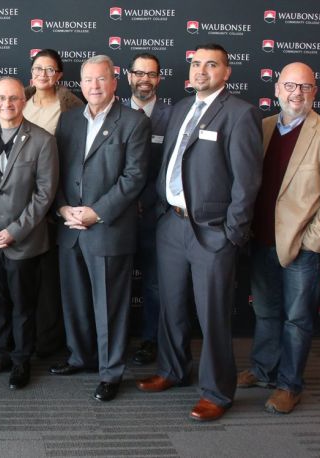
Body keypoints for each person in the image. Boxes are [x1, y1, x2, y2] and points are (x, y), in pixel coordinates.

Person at [136, 43, 264, 422]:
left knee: (213, 317)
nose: (201, 71)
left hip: (211, 232)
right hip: (171, 224)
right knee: (171, 307)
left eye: (211, 64)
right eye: (196, 64)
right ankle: (173, 370)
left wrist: (232, 233)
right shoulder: (179, 109)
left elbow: (247, 183)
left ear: (226, 72)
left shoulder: (240, 113)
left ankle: (217, 391)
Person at [238, 62, 320, 414]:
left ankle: (289, 385)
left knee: (297, 319)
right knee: (266, 312)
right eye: (290, 86)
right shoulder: (261, 129)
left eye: (304, 87)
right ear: (277, 89)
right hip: (261, 239)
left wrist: (313, 241)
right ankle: (263, 369)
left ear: (314, 92)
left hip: (302, 246)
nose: (296, 93)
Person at [51, 55, 150, 402]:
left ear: (114, 82)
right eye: (88, 80)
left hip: (108, 229)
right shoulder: (68, 120)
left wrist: (97, 213)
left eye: (101, 79)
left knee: (109, 308)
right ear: (80, 84)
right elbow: (55, 171)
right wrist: (63, 207)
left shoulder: (134, 122)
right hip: (69, 227)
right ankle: (81, 357)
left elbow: (134, 177)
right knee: (75, 302)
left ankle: (110, 372)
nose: (94, 86)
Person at [0, 77, 58, 390]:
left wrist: (13, 232)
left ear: (24, 101)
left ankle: (21, 360)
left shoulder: (43, 140)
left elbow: (44, 195)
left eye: (14, 98)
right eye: (1, 98)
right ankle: (2, 354)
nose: (7, 104)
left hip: (24, 242)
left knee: (23, 306)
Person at [23, 49, 83, 356]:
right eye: (38, 68)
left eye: (50, 70)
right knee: (22, 274)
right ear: (31, 72)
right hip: (19, 199)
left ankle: (48, 342)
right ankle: (24, 338)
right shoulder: (18, 100)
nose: (43, 74)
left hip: (55, 200)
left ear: (58, 75)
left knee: (49, 277)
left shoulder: (72, 106)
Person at [126, 53, 173, 366]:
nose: (145, 79)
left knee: (155, 284)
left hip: (158, 217)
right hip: (119, 216)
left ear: (159, 78)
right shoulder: (113, 113)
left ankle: (150, 340)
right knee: (115, 283)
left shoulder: (174, 116)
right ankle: (114, 338)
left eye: (151, 74)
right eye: (139, 73)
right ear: (129, 76)